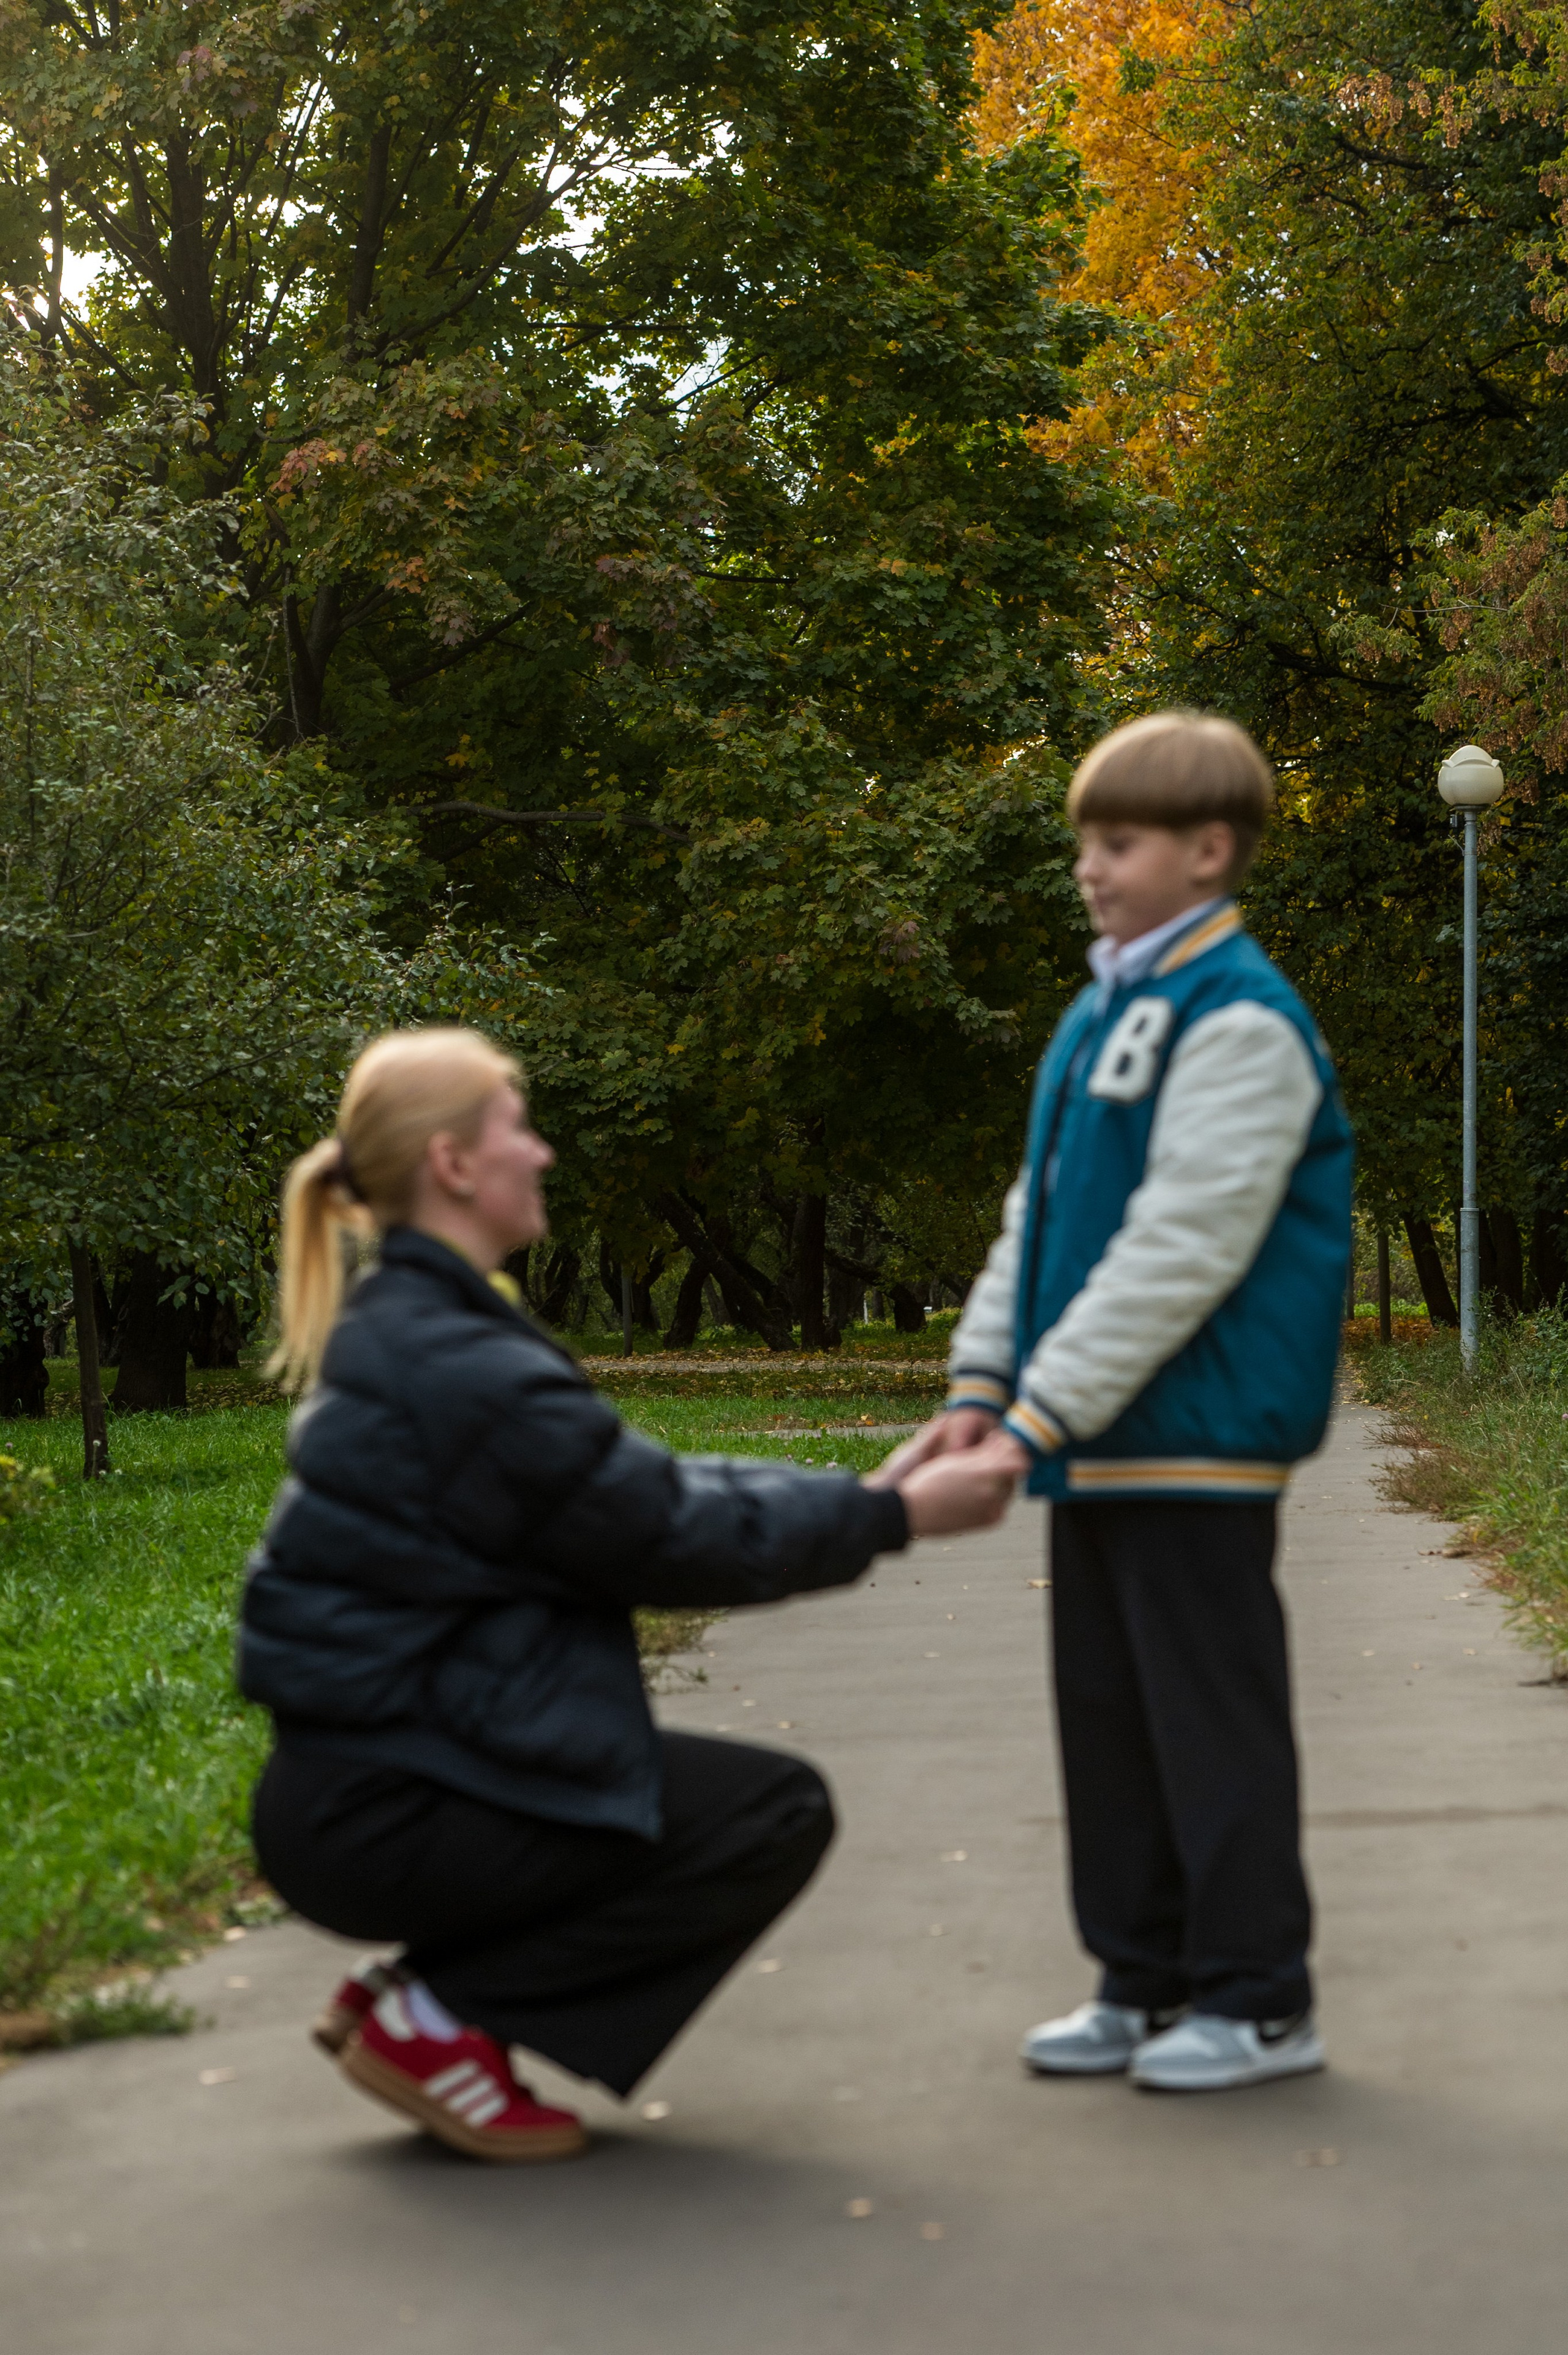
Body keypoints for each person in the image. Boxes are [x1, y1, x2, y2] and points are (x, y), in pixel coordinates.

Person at [239, 1029, 1015, 2163]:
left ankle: (425, 1999)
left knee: (719, 1800)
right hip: (391, 1805)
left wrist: (860, 1493)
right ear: (455, 1164)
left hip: (365, 1783)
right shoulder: (463, 1363)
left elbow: (633, 1486)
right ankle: (444, 2020)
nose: (543, 1153)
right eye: (519, 1127)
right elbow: (663, 1534)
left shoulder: (421, 1329)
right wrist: (897, 1517)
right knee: (768, 1815)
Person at [880, 710, 1353, 2093]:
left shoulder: (1243, 1019)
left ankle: (1259, 2000)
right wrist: (982, 1383)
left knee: (1209, 1726)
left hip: (1195, 1438)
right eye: (1084, 839)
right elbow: (1037, 1223)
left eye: (1118, 841)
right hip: (1099, 1442)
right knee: (1109, 1717)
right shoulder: (1103, 1012)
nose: (1088, 866)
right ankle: (1138, 1981)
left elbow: (1179, 1247)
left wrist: (1035, 1416)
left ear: (1208, 850)